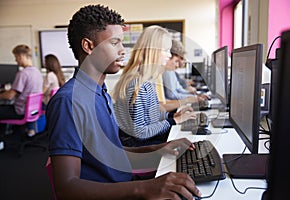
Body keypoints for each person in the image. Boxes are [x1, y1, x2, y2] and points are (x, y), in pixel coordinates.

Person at [46, 4, 201, 200]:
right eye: (115, 43)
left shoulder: (101, 93)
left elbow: (112, 152)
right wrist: (144, 188)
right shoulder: (69, 101)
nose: (123, 51)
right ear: (88, 46)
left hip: (125, 183)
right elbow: (67, 188)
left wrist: (158, 149)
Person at [112, 25, 197, 147]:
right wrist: (174, 121)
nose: (169, 55)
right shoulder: (138, 84)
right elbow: (140, 133)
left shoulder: (147, 79)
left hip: (144, 140)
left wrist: (171, 115)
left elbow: (150, 116)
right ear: (153, 51)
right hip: (139, 146)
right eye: (166, 50)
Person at [0, 44, 43, 137]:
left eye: (16, 57)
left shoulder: (23, 73)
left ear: (21, 56)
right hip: (32, 110)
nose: (15, 60)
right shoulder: (37, 72)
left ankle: (3, 140)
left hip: (20, 111)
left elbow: (9, 96)